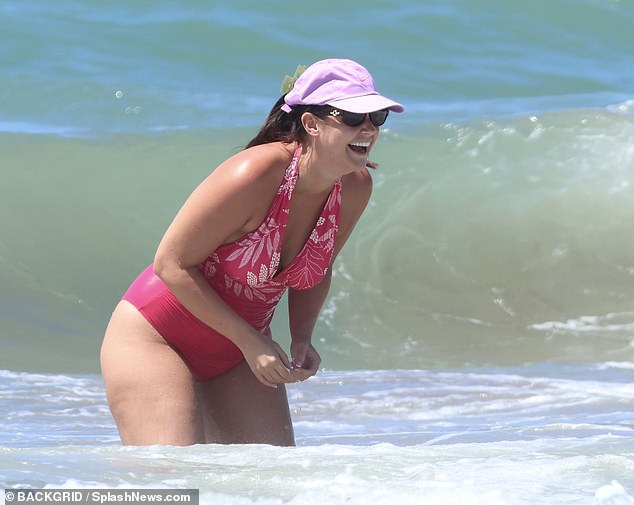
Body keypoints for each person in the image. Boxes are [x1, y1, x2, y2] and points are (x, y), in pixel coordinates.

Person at [100, 58, 404, 446]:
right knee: (173, 476)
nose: (368, 129)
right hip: (158, 337)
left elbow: (318, 266)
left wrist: (301, 337)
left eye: (377, 116)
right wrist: (251, 341)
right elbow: (171, 264)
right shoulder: (255, 172)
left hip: (238, 353)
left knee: (270, 483)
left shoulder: (355, 187)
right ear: (311, 124)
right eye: (352, 117)